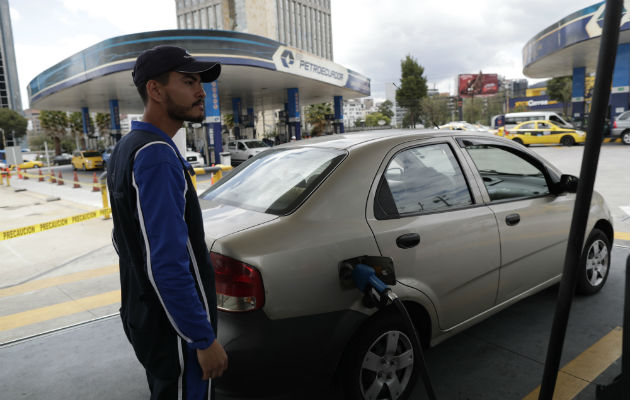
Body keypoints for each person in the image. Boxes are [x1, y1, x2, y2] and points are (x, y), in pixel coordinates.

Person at [107, 45, 227, 400]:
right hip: (173, 331)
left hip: (145, 314)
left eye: (200, 82)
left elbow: (123, 239)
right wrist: (201, 338)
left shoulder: (128, 147)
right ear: (155, 91)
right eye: (188, 81)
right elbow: (166, 264)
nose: (200, 91)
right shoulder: (155, 156)